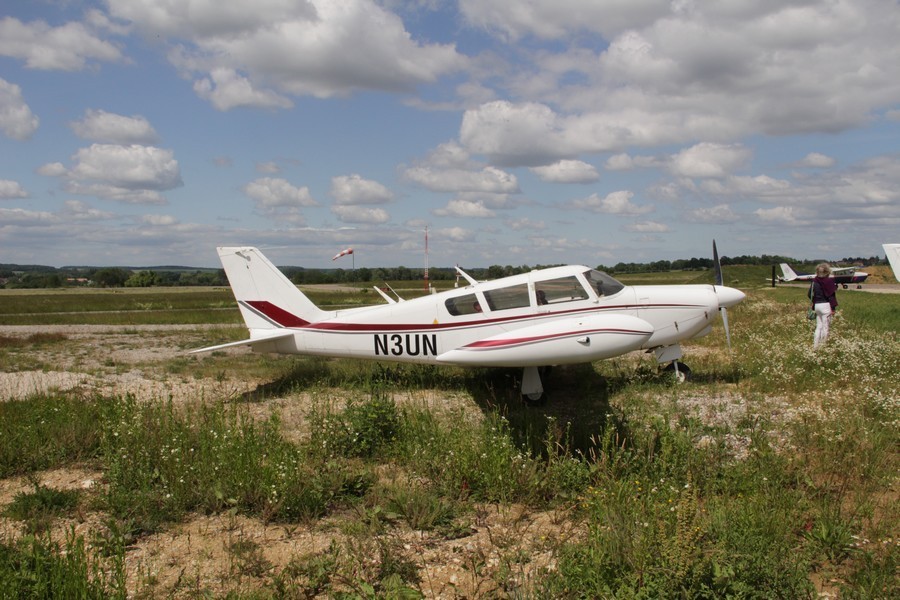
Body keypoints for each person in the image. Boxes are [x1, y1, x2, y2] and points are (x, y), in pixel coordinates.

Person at [810, 263, 838, 348]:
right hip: (825, 306)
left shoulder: (814, 281)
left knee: (818, 327)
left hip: (817, 306)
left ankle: (815, 346)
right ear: (827, 271)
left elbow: (809, 294)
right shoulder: (829, 281)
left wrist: (814, 303)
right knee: (825, 327)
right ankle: (823, 346)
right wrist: (833, 308)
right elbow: (831, 296)